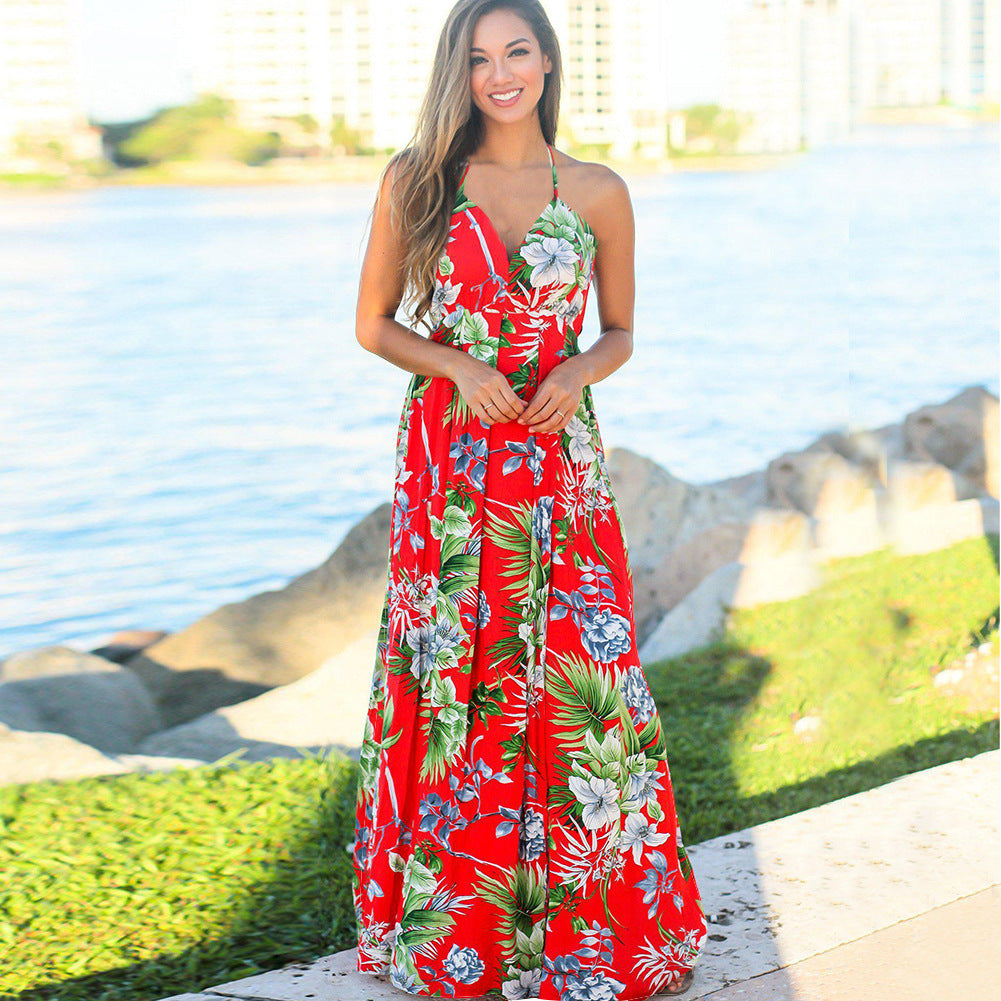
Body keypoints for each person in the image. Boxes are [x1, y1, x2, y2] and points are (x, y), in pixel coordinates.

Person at [348, 1, 706, 997]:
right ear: (455, 74)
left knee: (577, 677)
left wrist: (582, 368)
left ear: (547, 62)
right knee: (455, 672)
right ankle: (462, 935)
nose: (498, 74)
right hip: (451, 463)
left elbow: (622, 328)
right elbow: (373, 324)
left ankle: (591, 931)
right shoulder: (415, 179)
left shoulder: (594, 190)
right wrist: (457, 365)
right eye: (476, 59)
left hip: (557, 460)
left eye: (515, 52)